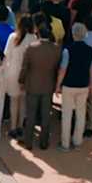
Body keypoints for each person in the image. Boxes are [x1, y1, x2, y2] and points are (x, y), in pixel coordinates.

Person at [20, 20, 60, 149]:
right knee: (45, 115)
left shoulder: (31, 48)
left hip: (32, 85)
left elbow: (24, 67)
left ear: (38, 34)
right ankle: (44, 142)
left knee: (30, 115)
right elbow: (57, 68)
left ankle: (28, 142)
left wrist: (21, 80)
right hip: (48, 85)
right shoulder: (56, 49)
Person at [56, 23, 92, 151]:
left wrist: (58, 85)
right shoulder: (90, 50)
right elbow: (90, 69)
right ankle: (78, 141)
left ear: (73, 34)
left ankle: (65, 144)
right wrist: (91, 84)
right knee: (81, 114)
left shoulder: (68, 50)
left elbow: (63, 69)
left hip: (69, 85)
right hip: (83, 84)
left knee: (66, 115)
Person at [3, 14, 36, 138]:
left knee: (14, 101)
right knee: (23, 101)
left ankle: (12, 127)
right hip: (27, 74)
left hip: (13, 72)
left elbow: (6, 55)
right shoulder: (33, 38)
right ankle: (20, 126)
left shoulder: (13, 37)